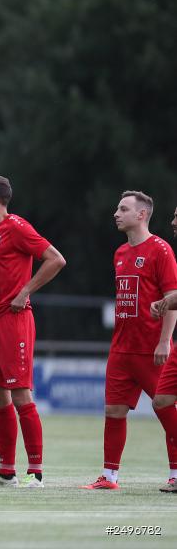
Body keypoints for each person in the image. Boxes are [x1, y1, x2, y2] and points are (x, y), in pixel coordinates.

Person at [0, 175, 66, 488]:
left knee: (21, 393)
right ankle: (7, 471)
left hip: (14, 321)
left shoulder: (17, 227)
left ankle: (35, 472)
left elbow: (56, 259)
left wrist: (25, 291)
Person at [82, 192, 177, 490]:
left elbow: (171, 300)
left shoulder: (160, 250)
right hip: (121, 347)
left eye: (123, 209)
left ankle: (176, 473)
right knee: (114, 411)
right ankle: (109, 477)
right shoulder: (120, 253)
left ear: (142, 215)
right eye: (117, 207)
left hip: (152, 349)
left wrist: (165, 341)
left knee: (164, 407)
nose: (116, 213)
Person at [151, 204, 177, 493]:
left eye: (176, 217)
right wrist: (165, 303)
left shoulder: (162, 251)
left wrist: (167, 301)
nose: (172, 222)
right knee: (162, 401)